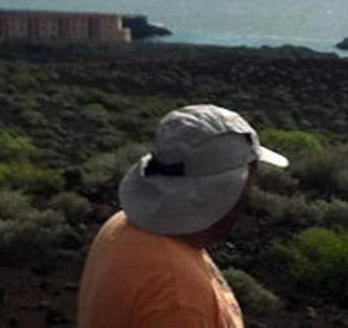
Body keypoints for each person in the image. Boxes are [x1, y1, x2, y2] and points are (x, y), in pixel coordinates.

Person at [77, 104, 289, 328]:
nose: (252, 191)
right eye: (249, 180)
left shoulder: (123, 224)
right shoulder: (179, 298)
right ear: (225, 192)